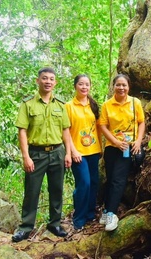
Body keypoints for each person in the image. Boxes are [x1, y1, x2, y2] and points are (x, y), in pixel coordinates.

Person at [12, 67, 72, 242]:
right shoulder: (28, 104)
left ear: (55, 83)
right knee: (32, 191)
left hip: (57, 153)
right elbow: (22, 131)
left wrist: (68, 153)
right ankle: (25, 227)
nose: (48, 82)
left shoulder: (61, 104)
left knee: (56, 189)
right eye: (44, 78)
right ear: (38, 81)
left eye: (51, 79)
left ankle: (55, 224)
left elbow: (66, 130)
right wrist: (25, 156)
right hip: (36, 154)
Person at [99, 74, 145, 231]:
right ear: (113, 86)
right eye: (118, 85)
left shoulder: (135, 102)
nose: (121, 88)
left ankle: (111, 214)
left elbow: (141, 122)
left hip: (129, 146)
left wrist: (138, 141)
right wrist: (115, 142)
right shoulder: (107, 105)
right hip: (112, 146)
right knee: (111, 178)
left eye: (124, 85)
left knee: (118, 180)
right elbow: (103, 126)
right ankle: (105, 210)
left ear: (129, 87)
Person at [65, 74, 102, 231]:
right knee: (84, 183)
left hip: (94, 151)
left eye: (87, 84)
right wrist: (72, 151)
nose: (84, 87)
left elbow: (99, 128)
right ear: (75, 86)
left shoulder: (93, 105)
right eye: (81, 84)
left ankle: (89, 213)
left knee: (94, 183)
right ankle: (78, 218)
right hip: (78, 153)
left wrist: (101, 148)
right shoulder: (69, 106)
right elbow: (65, 130)